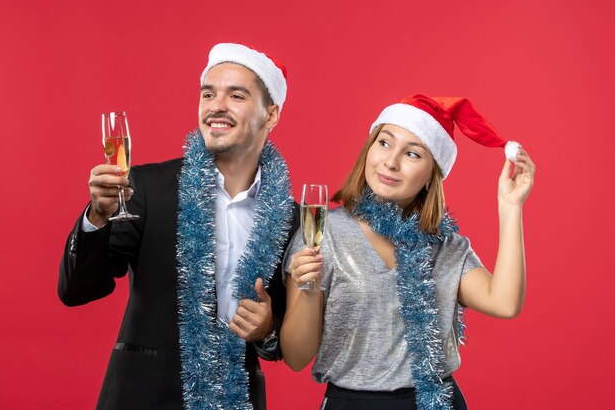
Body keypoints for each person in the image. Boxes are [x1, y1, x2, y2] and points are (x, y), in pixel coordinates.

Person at [58, 43, 298, 410]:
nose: (216, 105)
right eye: (208, 93)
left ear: (271, 115)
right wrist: (97, 218)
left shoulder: (289, 216)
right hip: (143, 397)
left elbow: (285, 338)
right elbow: (77, 290)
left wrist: (267, 330)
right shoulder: (148, 188)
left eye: (236, 95)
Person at [280, 94, 535, 410]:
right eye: (384, 143)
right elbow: (295, 357)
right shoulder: (323, 234)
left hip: (437, 402)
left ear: (432, 174)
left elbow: (505, 302)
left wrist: (510, 208)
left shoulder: (447, 247)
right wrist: (307, 290)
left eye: (413, 154)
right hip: (354, 403)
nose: (391, 161)